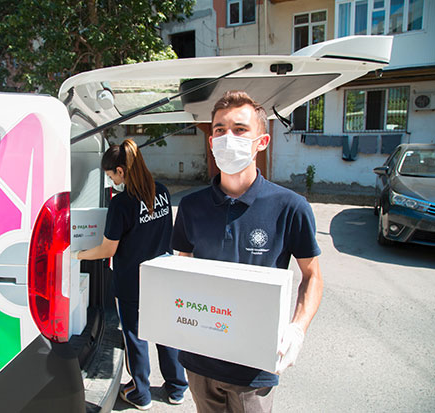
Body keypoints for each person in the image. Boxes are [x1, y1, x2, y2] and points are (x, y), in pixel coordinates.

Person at [171, 91, 323, 413]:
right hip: (199, 360)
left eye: (240, 129)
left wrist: (297, 328)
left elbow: (312, 276)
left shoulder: (290, 207)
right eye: (220, 130)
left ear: (262, 141)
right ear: (211, 142)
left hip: (254, 367)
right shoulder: (190, 206)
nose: (228, 137)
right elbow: (183, 267)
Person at [74, 138, 188, 410]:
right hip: (161, 276)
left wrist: (76, 254)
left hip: (131, 282)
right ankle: (176, 388)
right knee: (165, 332)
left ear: (121, 171)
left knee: (135, 337)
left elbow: (107, 250)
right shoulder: (162, 191)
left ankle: (141, 393)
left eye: (110, 175)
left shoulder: (122, 204)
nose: (111, 180)